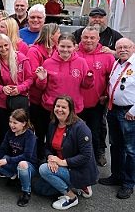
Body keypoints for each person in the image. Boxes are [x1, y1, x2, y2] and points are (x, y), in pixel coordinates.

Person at [38, 94, 98, 210]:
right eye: (57, 106)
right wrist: (51, 158)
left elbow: (86, 156)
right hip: (60, 164)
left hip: (78, 169)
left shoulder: (81, 128)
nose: (59, 110)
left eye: (64, 107)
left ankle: (71, 197)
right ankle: (79, 186)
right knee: (41, 189)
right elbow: (47, 147)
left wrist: (61, 162)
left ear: (71, 110)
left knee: (43, 170)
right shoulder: (52, 124)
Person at [98, 38, 135, 199]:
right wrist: (107, 96)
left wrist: (133, 111)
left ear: (133, 48)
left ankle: (128, 183)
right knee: (116, 145)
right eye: (119, 47)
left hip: (129, 113)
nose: (122, 50)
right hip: (114, 110)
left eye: (126, 47)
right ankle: (117, 175)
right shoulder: (117, 63)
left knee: (131, 150)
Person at [0, 109, 38, 207]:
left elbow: (27, 156)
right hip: (14, 162)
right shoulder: (10, 132)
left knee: (22, 164)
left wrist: (6, 160)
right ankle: (13, 176)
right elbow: (3, 147)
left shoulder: (29, 135)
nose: (11, 125)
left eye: (15, 123)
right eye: (10, 121)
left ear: (23, 123)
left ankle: (26, 191)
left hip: (28, 166)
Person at [77, 26, 115, 166]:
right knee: (76, 132)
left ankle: (93, 157)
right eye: (85, 37)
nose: (88, 40)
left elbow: (112, 78)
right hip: (76, 102)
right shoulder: (73, 52)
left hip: (96, 102)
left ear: (98, 39)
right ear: (80, 38)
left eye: (92, 37)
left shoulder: (107, 56)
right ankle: (76, 158)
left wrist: (106, 95)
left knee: (95, 132)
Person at [0, 34, 32, 150]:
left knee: (20, 130)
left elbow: (30, 79)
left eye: (5, 45)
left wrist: (20, 88)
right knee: (3, 130)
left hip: (19, 101)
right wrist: (2, 88)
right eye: (0, 47)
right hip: (2, 102)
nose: (3, 49)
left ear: (10, 45)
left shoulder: (21, 58)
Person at [27, 23, 60, 159]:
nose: (59, 35)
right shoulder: (34, 51)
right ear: (51, 35)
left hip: (54, 97)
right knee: (39, 130)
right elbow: (34, 75)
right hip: (38, 98)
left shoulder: (58, 49)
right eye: (58, 33)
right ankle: (37, 156)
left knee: (52, 130)